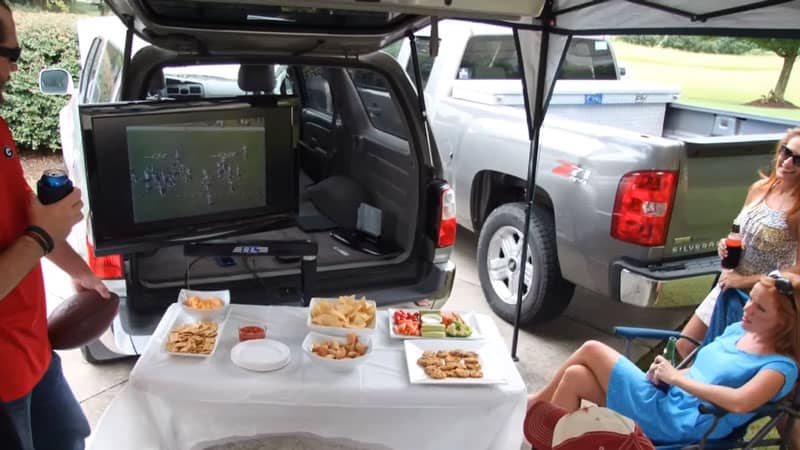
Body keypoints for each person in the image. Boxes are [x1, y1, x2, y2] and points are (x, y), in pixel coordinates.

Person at [0, 2, 111, 449]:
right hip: (3, 381)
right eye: (6, 43)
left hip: (32, 350)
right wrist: (44, 234)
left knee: (68, 438)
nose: (14, 56)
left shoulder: (0, 130)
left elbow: (22, 212)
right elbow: (35, 230)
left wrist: (78, 270)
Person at [525, 271, 800, 445]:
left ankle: (533, 404)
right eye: (750, 299)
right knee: (575, 377)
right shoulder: (737, 330)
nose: (747, 308)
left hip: (683, 423)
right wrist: (666, 375)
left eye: (760, 308)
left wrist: (678, 378)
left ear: (786, 323)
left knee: (593, 348)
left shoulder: (779, 367)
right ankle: (550, 439)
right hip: (668, 398)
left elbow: (740, 403)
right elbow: (701, 369)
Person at [677, 128, 800, 358]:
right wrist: (727, 244)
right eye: (786, 152)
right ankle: (694, 392)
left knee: (726, 361)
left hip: (762, 298)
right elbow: (740, 232)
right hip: (729, 283)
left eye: (798, 160)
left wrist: (745, 281)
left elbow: (799, 270)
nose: (788, 162)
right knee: (686, 345)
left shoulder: (797, 211)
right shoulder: (760, 189)